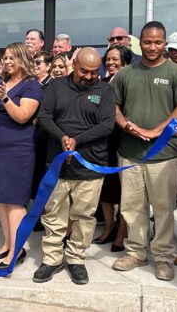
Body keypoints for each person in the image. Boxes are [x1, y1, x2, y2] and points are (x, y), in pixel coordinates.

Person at [110, 21, 177, 281]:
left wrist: (155, 131)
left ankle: (163, 257)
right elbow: (113, 107)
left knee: (163, 209)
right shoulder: (126, 73)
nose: (152, 47)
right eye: (147, 42)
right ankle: (136, 252)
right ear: (140, 41)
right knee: (132, 207)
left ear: (164, 43)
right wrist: (126, 125)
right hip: (129, 152)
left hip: (165, 154)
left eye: (158, 42)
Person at [34, 48, 115, 285]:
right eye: (84, 71)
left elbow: (107, 125)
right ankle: (52, 259)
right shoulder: (55, 87)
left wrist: (76, 141)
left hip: (91, 165)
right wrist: (62, 138)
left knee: (84, 216)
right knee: (53, 215)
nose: (90, 76)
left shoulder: (105, 91)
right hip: (57, 164)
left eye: (94, 72)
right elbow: (45, 116)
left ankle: (76, 259)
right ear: (74, 65)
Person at [0, 42, 42, 271]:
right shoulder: (0, 81)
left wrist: (5, 98)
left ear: (23, 59)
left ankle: (17, 250)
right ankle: (7, 244)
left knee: (14, 202)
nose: (6, 62)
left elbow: (23, 116)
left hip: (18, 151)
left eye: (11, 58)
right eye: (4, 58)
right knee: (1, 200)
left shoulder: (32, 86)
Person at [93, 46, 132, 251]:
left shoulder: (130, 82)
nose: (110, 63)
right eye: (108, 59)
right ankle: (108, 227)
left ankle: (122, 231)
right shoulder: (101, 84)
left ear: (125, 61)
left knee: (125, 191)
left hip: (126, 141)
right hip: (104, 142)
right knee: (106, 189)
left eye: (115, 59)